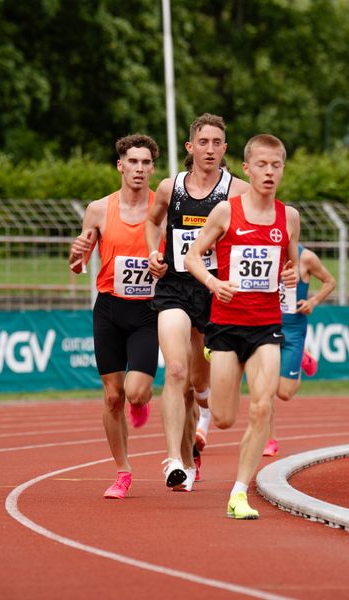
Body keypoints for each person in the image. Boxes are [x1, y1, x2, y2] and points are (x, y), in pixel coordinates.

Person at [185, 133, 300, 519]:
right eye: (262, 165)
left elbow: (292, 262)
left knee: (262, 407)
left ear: (283, 168)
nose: (269, 173)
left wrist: (291, 273)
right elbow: (192, 257)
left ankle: (239, 493)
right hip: (225, 324)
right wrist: (214, 283)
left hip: (266, 325)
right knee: (224, 418)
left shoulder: (290, 217)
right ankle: (211, 357)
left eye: (276, 165)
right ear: (247, 168)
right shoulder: (225, 212)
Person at [145, 113, 249, 491]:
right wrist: (152, 253)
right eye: (202, 142)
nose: (209, 149)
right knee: (174, 371)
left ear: (225, 149)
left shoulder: (236, 191)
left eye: (216, 143)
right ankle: (174, 459)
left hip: (215, 292)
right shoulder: (170, 187)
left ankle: (199, 424)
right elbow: (152, 221)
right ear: (190, 147)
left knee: (196, 382)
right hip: (174, 286)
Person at [69, 133, 161, 499]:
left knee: (135, 393)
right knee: (112, 397)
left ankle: (141, 403)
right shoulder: (98, 209)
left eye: (146, 163)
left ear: (153, 168)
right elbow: (78, 265)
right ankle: (123, 471)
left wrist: (162, 267)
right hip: (108, 307)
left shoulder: (163, 207)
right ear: (120, 165)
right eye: (133, 162)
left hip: (148, 311)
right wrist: (76, 254)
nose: (139, 169)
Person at [263, 245, 336, 456]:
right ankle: (270, 439)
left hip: (293, 330)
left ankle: (301, 359)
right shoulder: (263, 250)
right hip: (266, 328)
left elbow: (330, 282)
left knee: (283, 393)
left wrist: (313, 300)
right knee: (265, 389)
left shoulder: (306, 258)